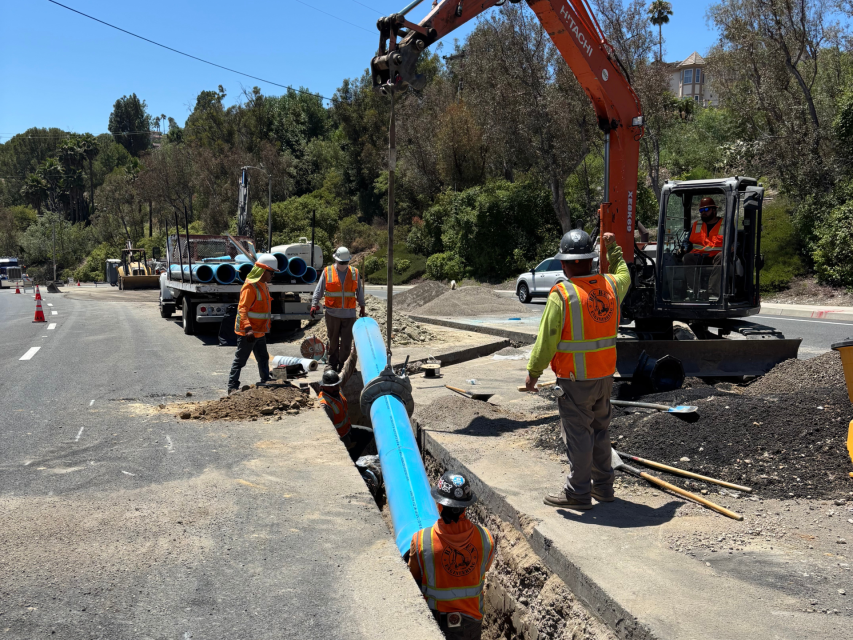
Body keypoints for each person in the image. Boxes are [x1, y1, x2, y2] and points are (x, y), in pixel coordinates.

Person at [524, 230, 631, 510]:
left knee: (579, 436)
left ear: (564, 263)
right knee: (599, 431)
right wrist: (612, 246)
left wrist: (533, 373)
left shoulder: (563, 294)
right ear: (591, 260)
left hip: (574, 380)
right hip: (605, 377)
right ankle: (604, 488)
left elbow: (547, 338)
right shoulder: (610, 286)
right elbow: (624, 273)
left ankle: (579, 494)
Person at [408, 471, 495, 640]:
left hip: (434, 621)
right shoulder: (486, 538)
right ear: (466, 506)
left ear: (439, 505)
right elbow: (481, 569)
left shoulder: (421, 540)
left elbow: (413, 580)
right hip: (472, 623)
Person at [227, 253, 278, 394]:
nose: (272, 276)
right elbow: (242, 309)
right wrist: (248, 328)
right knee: (240, 360)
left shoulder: (263, 285)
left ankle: (265, 380)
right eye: (271, 272)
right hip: (248, 332)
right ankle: (232, 387)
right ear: (262, 271)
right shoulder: (250, 287)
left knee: (263, 357)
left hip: (259, 331)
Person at [310, 246, 367, 372]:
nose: (343, 265)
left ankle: (343, 365)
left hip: (349, 314)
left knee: (347, 344)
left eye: (345, 263)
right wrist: (314, 304)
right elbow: (319, 290)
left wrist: (362, 306)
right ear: (336, 260)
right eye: (341, 263)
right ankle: (332, 364)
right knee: (333, 341)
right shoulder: (327, 271)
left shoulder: (354, 272)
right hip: (332, 313)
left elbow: (359, 291)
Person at [317, 348, 374, 461]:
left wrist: (354, 352)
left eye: (336, 385)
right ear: (323, 387)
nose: (335, 388)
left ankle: (353, 459)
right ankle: (349, 462)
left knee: (368, 433)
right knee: (342, 455)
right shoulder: (324, 405)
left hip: (348, 430)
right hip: (338, 438)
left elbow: (347, 369)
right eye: (332, 386)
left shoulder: (337, 389)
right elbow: (326, 433)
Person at [682, 196, 724, 298]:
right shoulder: (697, 225)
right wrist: (684, 248)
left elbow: (733, 242)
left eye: (706, 209)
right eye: (701, 210)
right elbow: (687, 241)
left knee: (722, 256)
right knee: (687, 258)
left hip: (716, 257)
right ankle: (695, 292)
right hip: (699, 256)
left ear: (714, 210)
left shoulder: (725, 224)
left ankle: (713, 293)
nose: (703, 212)